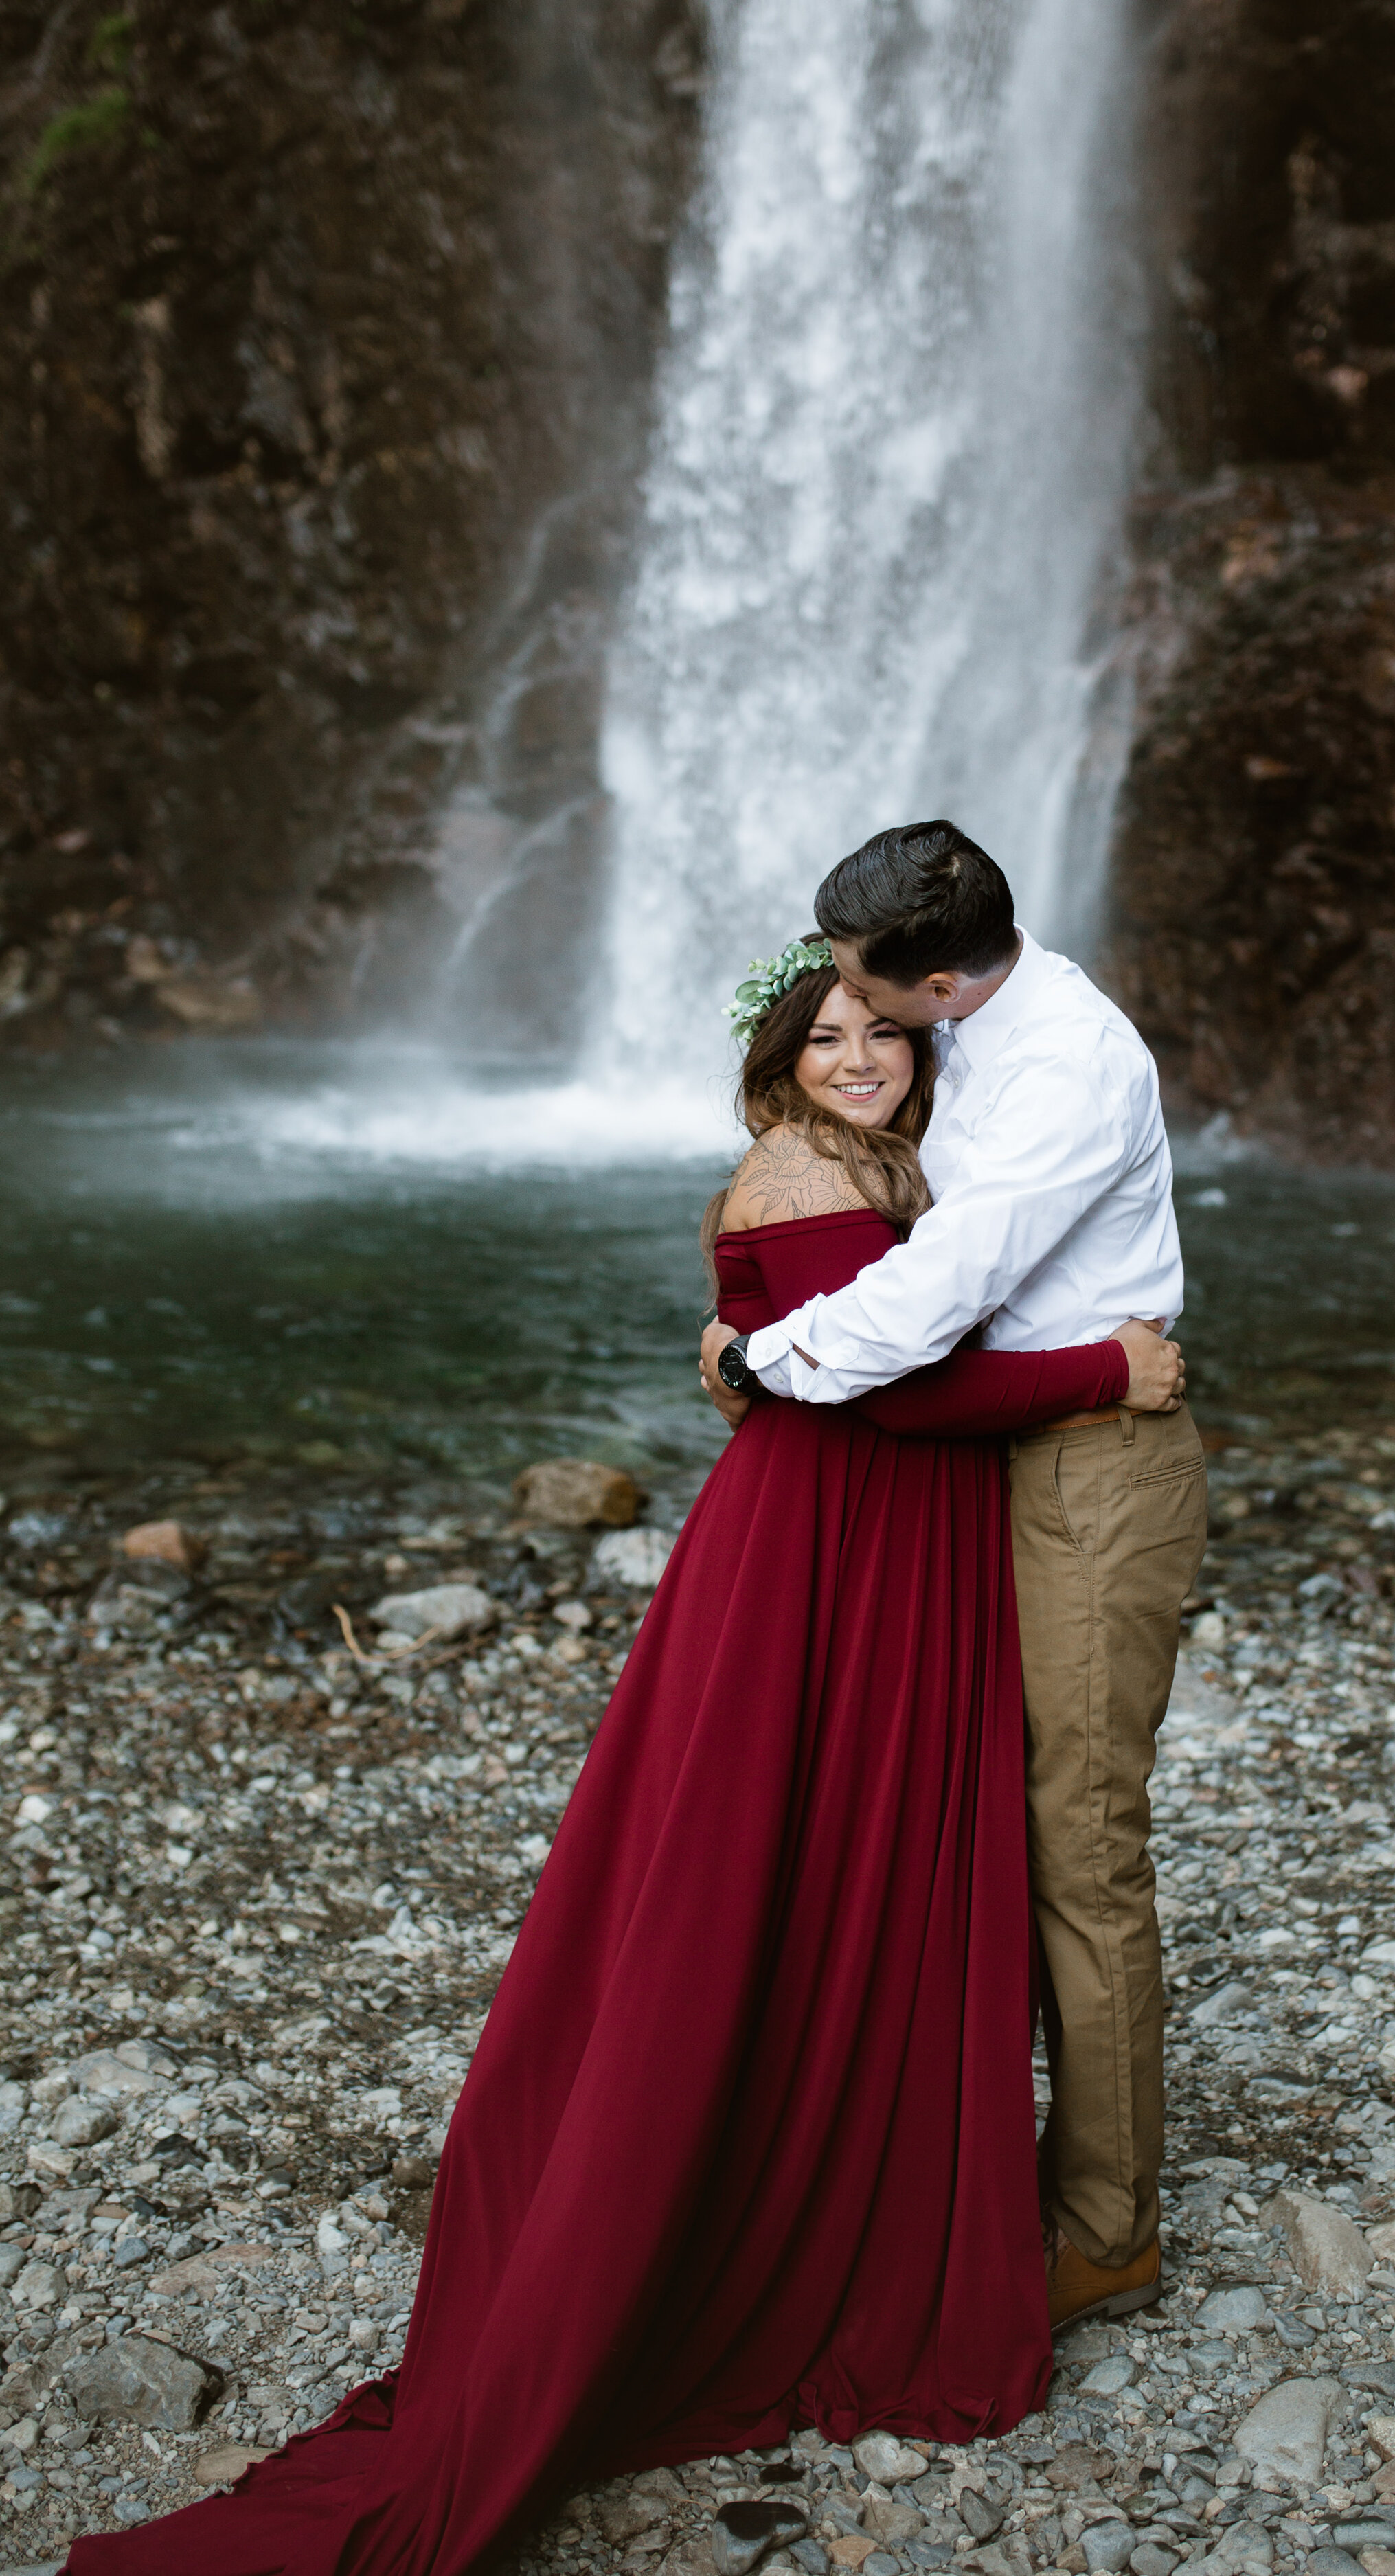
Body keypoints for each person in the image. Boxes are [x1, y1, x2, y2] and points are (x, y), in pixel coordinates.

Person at [61, 943, 1175, 2576]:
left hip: (890, 1554)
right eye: (826, 1036)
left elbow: (790, 1332)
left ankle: (874, 2173)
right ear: (778, 1064)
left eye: (882, 1028)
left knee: (842, 1863)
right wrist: (1107, 1370)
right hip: (838, 1551)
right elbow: (902, 1388)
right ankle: (797, 2216)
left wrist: (731, 1339)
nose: (860, 1054)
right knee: (779, 1868)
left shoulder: (898, 1157)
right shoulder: (799, 1170)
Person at [701, 820, 1206, 2336]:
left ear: (933, 978)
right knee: (961, 1805)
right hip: (974, 1454)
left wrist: (764, 1360)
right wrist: (741, 1316)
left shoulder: (1064, 1067)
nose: (847, 1019)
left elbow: (939, 1287)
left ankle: (1105, 2224)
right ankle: (935, 2154)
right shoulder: (958, 1025)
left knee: (1078, 1833)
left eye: (866, 991)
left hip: (1088, 1464)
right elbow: (837, 1211)